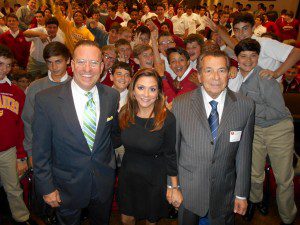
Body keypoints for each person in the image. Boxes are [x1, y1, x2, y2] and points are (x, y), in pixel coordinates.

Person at [32, 40, 120, 225]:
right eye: (81, 62)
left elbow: (112, 136)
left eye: (94, 63)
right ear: (72, 64)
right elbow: (41, 151)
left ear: (102, 66)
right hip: (65, 186)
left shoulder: (112, 96)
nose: (87, 68)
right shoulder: (46, 100)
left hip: (102, 183)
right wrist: (47, 188)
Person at [172, 50, 255, 225]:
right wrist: (173, 186)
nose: (216, 77)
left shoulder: (245, 106)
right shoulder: (181, 104)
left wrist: (241, 193)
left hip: (225, 191)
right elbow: (174, 150)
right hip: (189, 190)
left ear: (229, 73)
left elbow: (244, 154)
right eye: (208, 70)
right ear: (199, 76)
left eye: (222, 70)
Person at [230, 38, 297, 225]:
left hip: (278, 129)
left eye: (253, 56)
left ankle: (287, 216)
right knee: (254, 173)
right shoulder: (236, 78)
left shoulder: (265, 78)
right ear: (236, 58)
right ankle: (254, 202)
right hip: (256, 129)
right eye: (243, 56)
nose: (248, 60)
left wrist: (247, 107)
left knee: (283, 178)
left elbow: (276, 111)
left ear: (258, 57)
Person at [118, 68, 182, 225]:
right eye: (141, 88)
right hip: (128, 176)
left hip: (154, 178)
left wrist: (174, 187)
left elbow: (170, 154)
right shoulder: (125, 112)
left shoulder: (167, 119)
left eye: (152, 89)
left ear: (158, 93)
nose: (146, 95)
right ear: (132, 90)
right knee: (127, 218)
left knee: (150, 220)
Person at [0, 44, 36, 225]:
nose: (4, 69)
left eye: (8, 65)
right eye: (0, 64)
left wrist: (21, 155)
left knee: (13, 187)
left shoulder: (15, 92)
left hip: (7, 150)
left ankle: (22, 218)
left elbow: (22, 125)